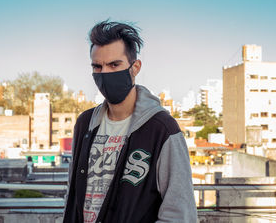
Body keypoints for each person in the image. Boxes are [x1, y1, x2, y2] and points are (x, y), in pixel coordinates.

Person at [63, 20, 197, 223]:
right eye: (97, 67)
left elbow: (180, 213)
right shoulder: (85, 124)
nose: (105, 73)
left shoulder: (162, 129)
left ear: (135, 67)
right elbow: (72, 194)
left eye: (114, 65)